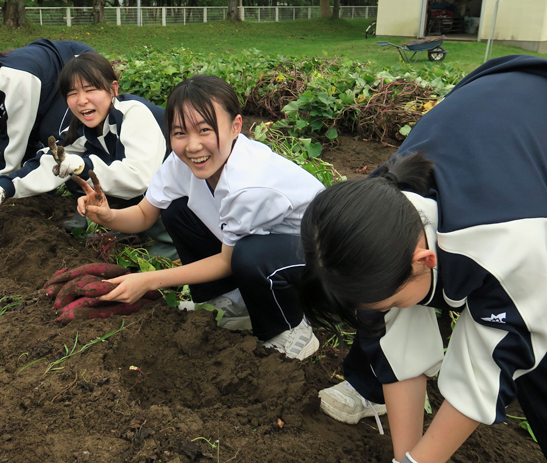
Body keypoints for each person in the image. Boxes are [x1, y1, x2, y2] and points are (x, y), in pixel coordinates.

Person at [300, 54, 547, 462]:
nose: (380, 311)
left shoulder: (510, 243)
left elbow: (483, 375)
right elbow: (396, 346)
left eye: (389, 301)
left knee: (533, 360)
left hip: (527, 172)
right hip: (502, 120)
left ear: (426, 259)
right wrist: (405, 457)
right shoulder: (373, 213)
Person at [74, 74, 323, 359]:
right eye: (180, 133)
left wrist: (148, 280)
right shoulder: (180, 163)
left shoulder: (248, 184)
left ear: (235, 127)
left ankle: (292, 328)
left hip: (324, 261)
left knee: (249, 254)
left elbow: (228, 261)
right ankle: (233, 306)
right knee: (178, 211)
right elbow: (144, 213)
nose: (192, 146)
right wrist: (106, 215)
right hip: (274, 247)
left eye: (205, 130)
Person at [0, 52, 168, 246]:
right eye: (72, 93)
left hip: (180, 197)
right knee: (77, 171)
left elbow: (140, 177)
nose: (82, 100)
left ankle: (159, 237)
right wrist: (3, 187)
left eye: (90, 89)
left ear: (113, 89)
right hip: (150, 202)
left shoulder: (134, 113)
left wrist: (84, 166)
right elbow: (50, 160)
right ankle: (130, 229)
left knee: (87, 168)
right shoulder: (80, 128)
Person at [0, 38, 95, 226]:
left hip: (75, 65)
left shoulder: (17, 80)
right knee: (30, 141)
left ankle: (88, 201)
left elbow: (13, 143)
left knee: (57, 135)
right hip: (42, 87)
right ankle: (44, 188)